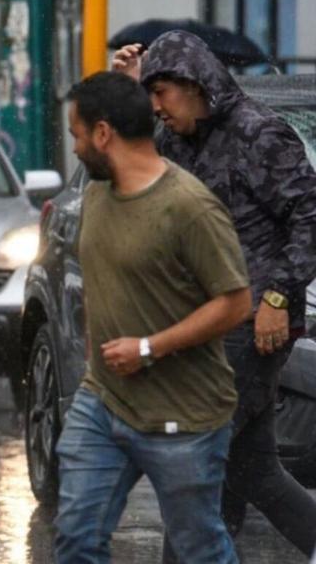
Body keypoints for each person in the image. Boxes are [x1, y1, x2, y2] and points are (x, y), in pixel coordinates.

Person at [113, 31, 316, 559]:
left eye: (161, 93)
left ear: (194, 83)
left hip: (252, 322)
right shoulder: (177, 140)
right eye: (150, 96)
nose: (157, 107)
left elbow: (309, 217)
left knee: (192, 465)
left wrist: (278, 297)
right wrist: (127, 92)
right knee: (254, 471)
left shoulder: (259, 133)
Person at [54, 72, 252, 563]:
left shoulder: (189, 207)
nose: (74, 148)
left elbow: (234, 302)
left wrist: (149, 347)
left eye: (77, 135)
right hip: (103, 401)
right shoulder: (97, 193)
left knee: (199, 550)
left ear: (103, 134)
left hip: (183, 415)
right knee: (77, 538)